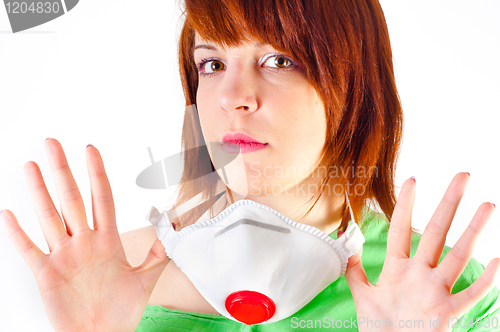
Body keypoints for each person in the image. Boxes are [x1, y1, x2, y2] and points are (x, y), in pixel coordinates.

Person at [1, 0, 499, 331]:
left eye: (279, 60)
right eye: (212, 64)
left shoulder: (444, 294)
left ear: (354, 87)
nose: (233, 97)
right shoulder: (90, 278)